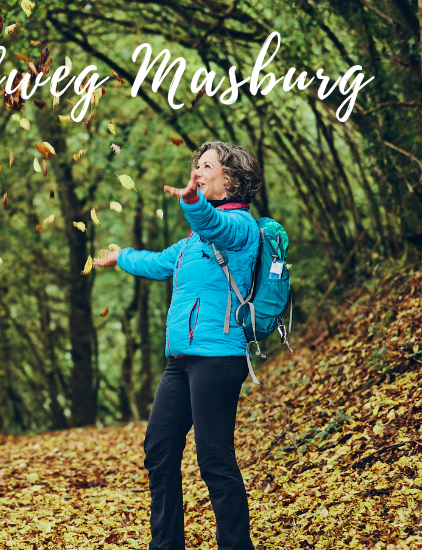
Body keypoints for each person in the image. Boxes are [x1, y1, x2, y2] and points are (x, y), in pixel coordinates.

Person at [94, 142, 262, 550]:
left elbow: (213, 225)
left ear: (232, 179)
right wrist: (122, 256)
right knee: (159, 448)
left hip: (218, 357)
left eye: (207, 167)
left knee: (214, 458)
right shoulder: (190, 244)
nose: (198, 172)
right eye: (196, 166)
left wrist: (191, 202)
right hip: (182, 360)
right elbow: (157, 263)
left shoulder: (241, 228)